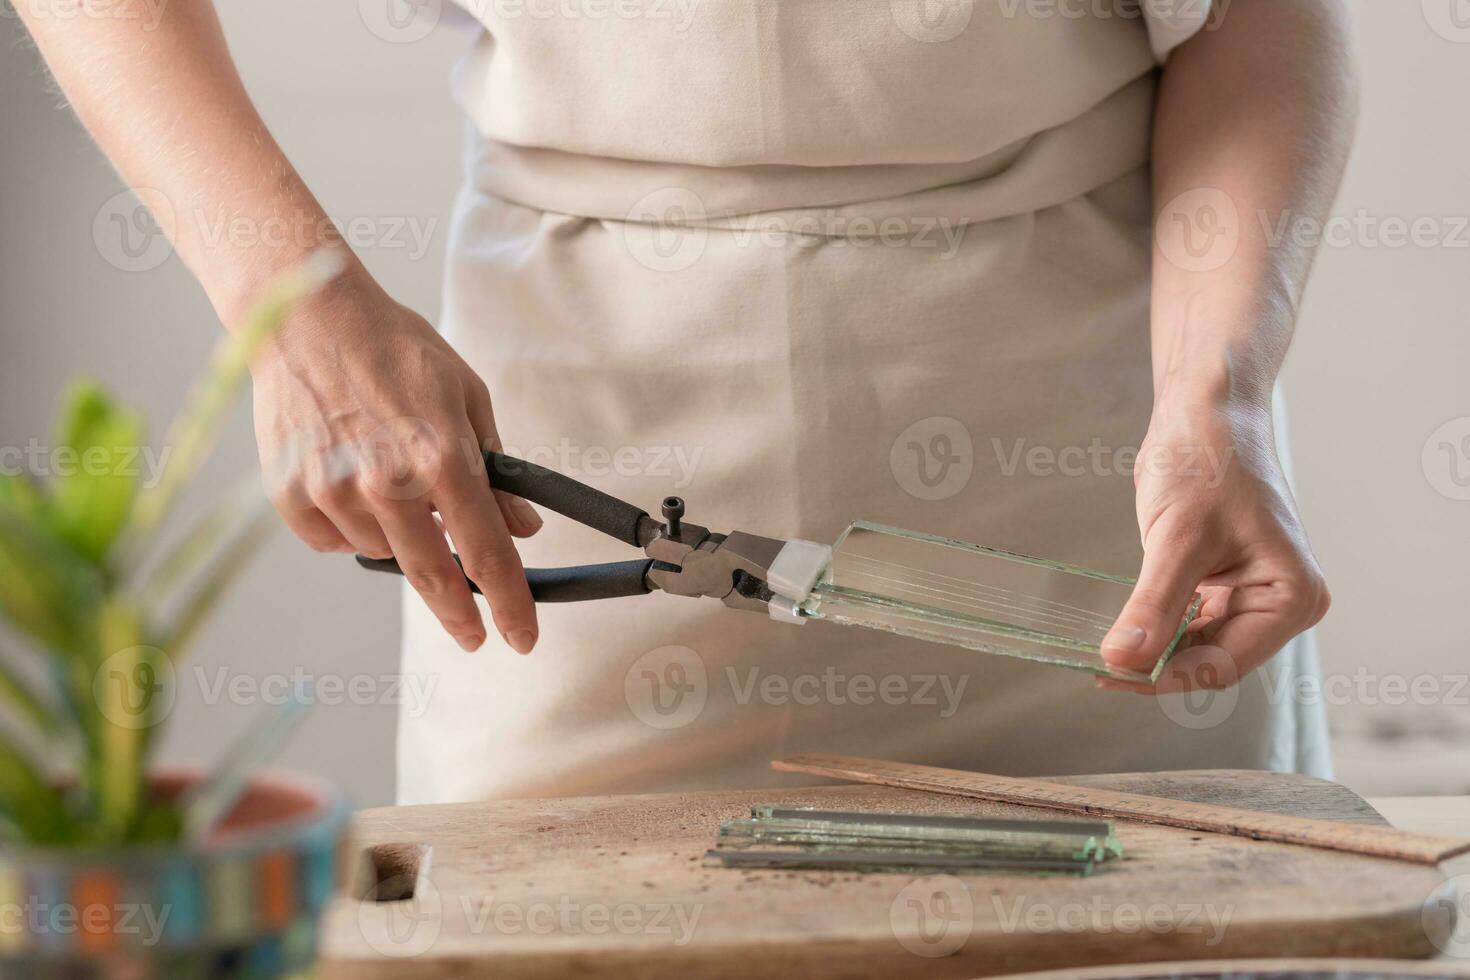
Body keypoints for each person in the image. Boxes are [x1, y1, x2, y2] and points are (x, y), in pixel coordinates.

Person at [18, 0, 1356, 803]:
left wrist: (1213, 394)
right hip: (571, 420)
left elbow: (1252, 14)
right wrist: (294, 307)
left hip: (1087, 440)